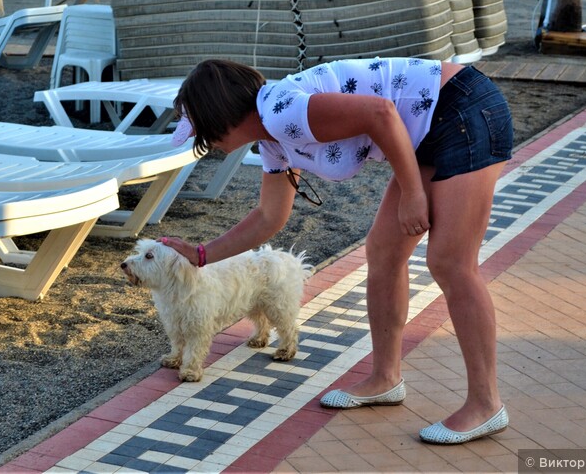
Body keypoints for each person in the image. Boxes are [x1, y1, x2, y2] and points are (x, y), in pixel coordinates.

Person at [163, 57, 514, 444]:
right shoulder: (271, 138)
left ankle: (486, 404)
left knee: (450, 262)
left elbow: (380, 112)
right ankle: (385, 378)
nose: (207, 143)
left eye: (202, 131)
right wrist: (201, 255)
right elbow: (269, 217)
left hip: (462, 106)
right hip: (431, 123)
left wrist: (412, 193)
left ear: (217, 113)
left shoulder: (281, 111)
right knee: (382, 251)